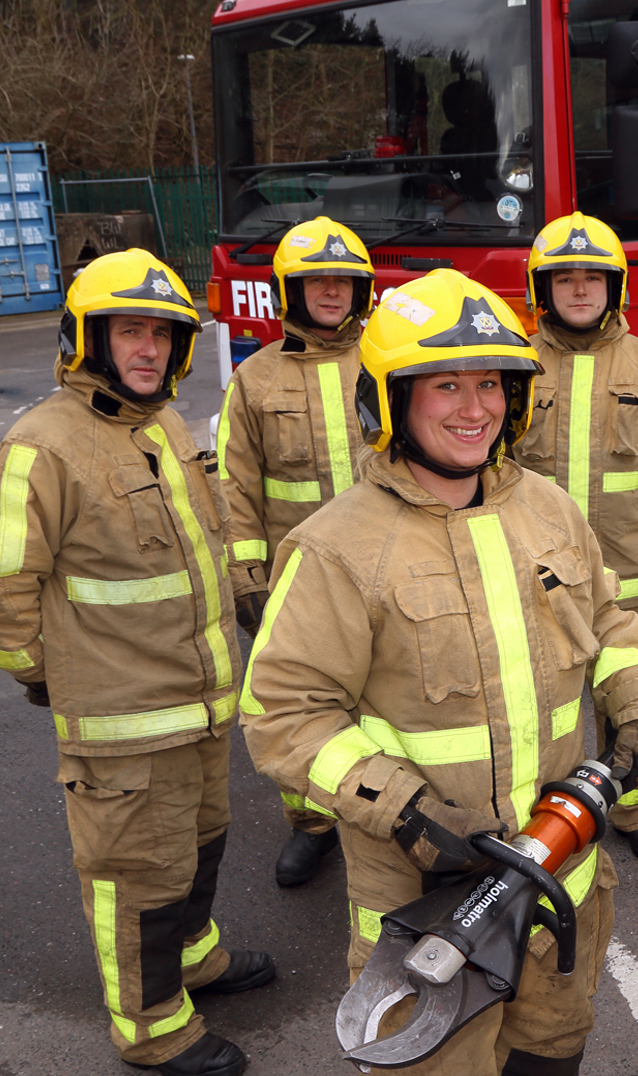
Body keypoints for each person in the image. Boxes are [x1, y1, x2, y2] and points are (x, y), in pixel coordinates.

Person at [240, 268, 638, 1076]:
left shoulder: (548, 508)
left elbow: (612, 619)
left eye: (489, 383)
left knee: (550, 1067)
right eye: (445, 385)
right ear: (391, 399)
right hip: (428, 914)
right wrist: (403, 809)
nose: (473, 408)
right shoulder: (336, 548)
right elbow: (284, 716)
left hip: (563, 890)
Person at [0, 250, 274, 1076]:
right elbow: (7, 587)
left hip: (198, 708)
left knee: (198, 846)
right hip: (120, 725)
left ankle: (193, 961)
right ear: (89, 339)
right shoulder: (42, 445)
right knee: (134, 876)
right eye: (129, 332)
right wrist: (42, 675)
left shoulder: (162, 424)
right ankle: (151, 1028)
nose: (148, 350)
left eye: (161, 334)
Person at [514, 211, 638, 867]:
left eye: (594, 278)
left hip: (629, 572)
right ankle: (540, 817)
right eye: (565, 279)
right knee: (542, 701)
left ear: (615, 288)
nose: (580, 290)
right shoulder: (517, 363)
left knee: (633, 694)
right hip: (538, 573)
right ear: (542, 289)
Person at [219, 215, 376, 887]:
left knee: (387, 696)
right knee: (298, 700)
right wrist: (248, 573)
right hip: (297, 576)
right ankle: (311, 824)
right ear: (292, 290)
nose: (332, 292)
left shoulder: (386, 362)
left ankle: (384, 816)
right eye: (318, 281)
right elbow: (234, 483)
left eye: (343, 281)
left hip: (380, 567)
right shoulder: (254, 380)